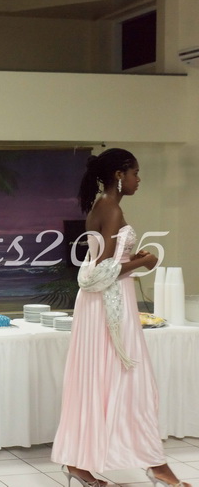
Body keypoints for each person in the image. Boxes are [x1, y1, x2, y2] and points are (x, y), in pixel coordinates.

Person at [51, 149, 190, 487]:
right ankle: (155, 466)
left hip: (101, 304)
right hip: (108, 306)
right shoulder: (111, 208)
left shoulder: (102, 206)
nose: (138, 180)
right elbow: (104, 270)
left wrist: (133, 260)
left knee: (98, 380)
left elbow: (107, 262)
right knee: (128, 379)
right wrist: (145, 262)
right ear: (119, 175)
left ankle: (79, 463)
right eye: (135, 173)